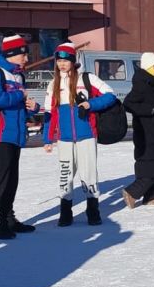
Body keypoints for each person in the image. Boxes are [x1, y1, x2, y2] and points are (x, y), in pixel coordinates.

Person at [42, 42, 117, 226]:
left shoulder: (87, 78)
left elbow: (110, 94)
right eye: (59, 60)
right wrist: (47, 138)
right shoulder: (53, 84)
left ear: (72, 61)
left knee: (89, 174)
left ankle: (93, 210)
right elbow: (49, 113)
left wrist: (91, 104)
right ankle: (65, 212)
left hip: (87, 136)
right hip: (64, 138)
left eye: (65, 60)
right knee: (65, 174)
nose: (62, 64)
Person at [0, 34, 40, 239]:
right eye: (24, 54)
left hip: (15, 135)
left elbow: (18, 105)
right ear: (13, 54)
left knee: (11, 180)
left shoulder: (18, 75)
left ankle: (7, 218)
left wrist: (33, 109)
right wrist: (19, 95)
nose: (27, 58)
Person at [122, 53, 154, 207]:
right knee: (151, 166)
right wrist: (149, 110)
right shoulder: (142, 84)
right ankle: (132, 192)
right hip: (147, 132)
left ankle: (152, 196)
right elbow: (128, 103)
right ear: (149, 67)